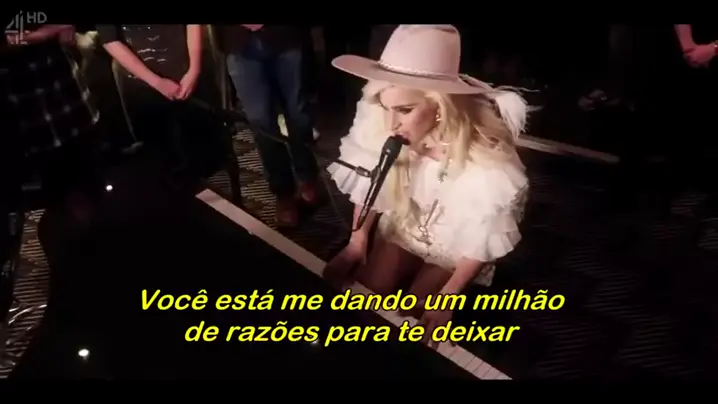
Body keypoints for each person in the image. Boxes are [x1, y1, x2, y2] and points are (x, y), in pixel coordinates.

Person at [322, 25, 529, 342]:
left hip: (454, 247)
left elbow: (484, 235)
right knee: (363, 303)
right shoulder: (384, 119)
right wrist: (357, 241)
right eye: (387, 108)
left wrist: (448, 297)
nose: (392, 123)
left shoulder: (488, 159)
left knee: (416, 326)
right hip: (405, 225)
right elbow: (371, 183)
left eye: (404, 110)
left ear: (440, 107)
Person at [218, 25, 320, 227]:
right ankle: (283, 191)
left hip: (287, 35)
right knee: (261, 120)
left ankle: (307, 177)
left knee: (298, 112)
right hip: (239, 41)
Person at [96, 24, 206, 179]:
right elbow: (109, 40)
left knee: (199, 152)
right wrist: (156, 82)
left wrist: (194, 69)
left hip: (186, 75)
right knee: (159, 159)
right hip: (142, 88)